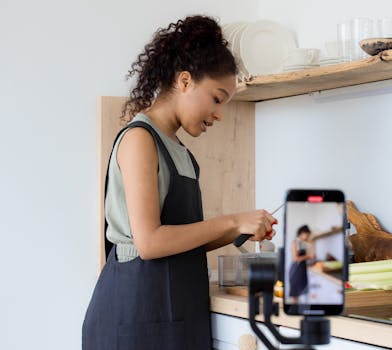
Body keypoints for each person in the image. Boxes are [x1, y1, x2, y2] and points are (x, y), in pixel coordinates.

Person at [82, 15, 277, 350]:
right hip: (134, 317)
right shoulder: (140, 139)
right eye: (216, 98)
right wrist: (231, 220)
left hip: (173, 315)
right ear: (185, 81)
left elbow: (181, 241)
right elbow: (150, 243)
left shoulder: (182, 152)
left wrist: (237, 229)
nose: (218, 114)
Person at [288, 224, 316, 303]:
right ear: (302, 233)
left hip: (302, 269)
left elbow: (311, 255)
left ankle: (301, 309)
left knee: (303, 292)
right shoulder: (295, 243)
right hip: (296, 270)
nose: (307, 237)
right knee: (296, 293)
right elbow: (295, 258)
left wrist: (310, 255)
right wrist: (308, 256)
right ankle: (295, 309)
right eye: (307, 235)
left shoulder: (304, 243)